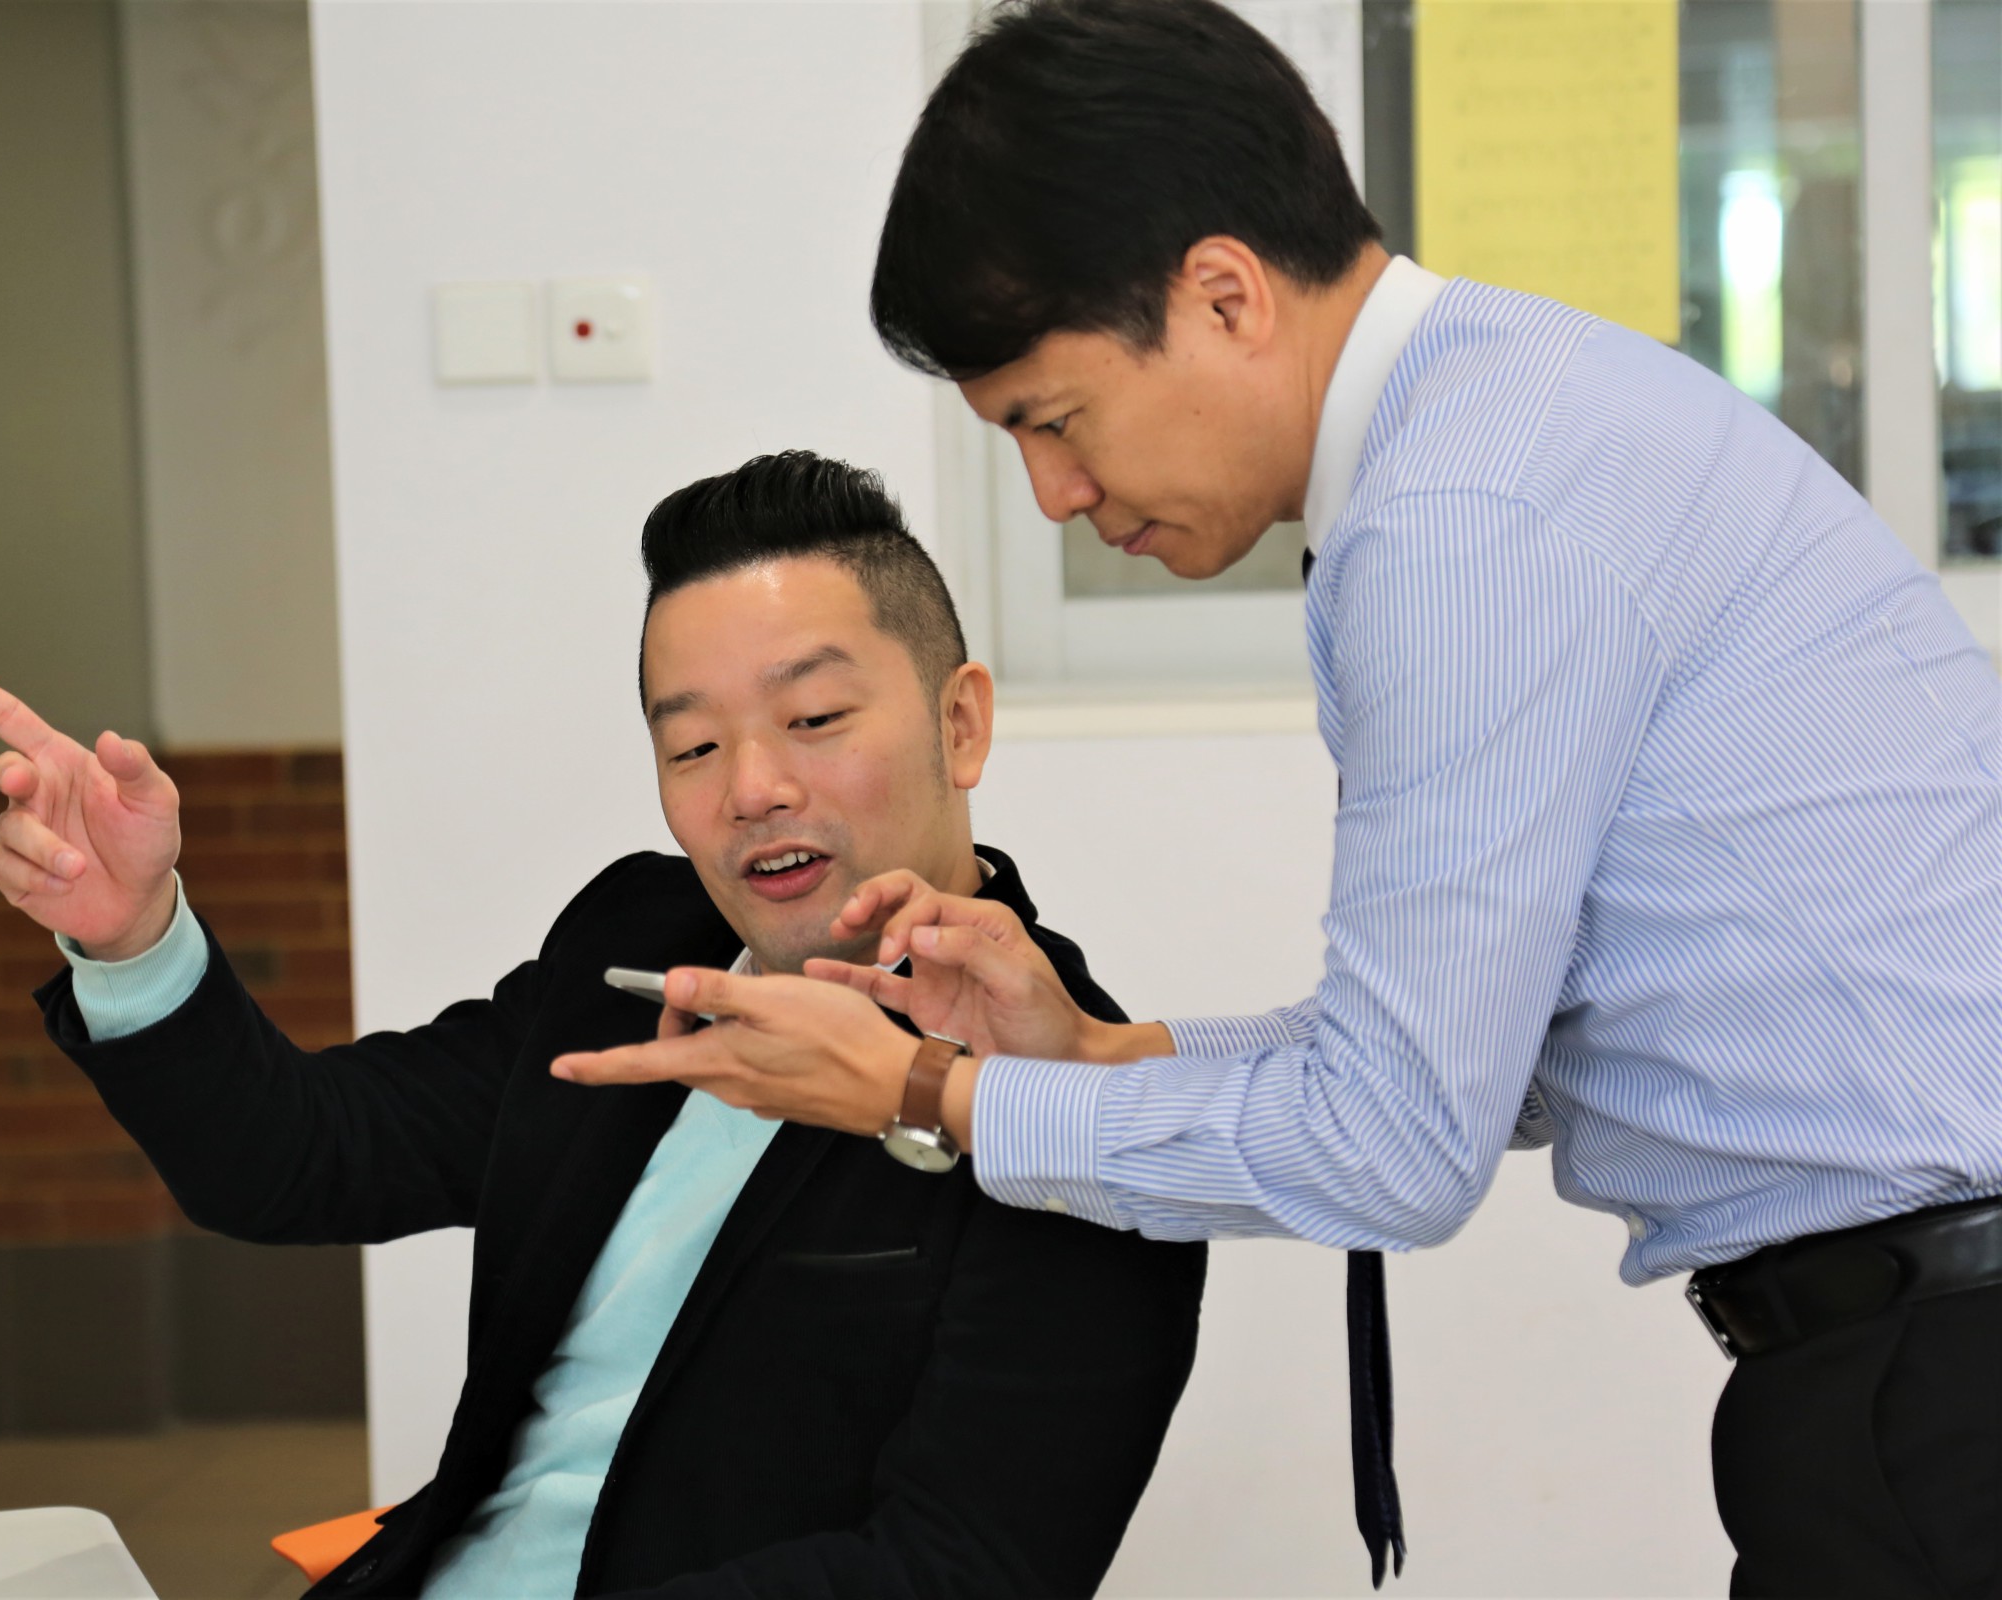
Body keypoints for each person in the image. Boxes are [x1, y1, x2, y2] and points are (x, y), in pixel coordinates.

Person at [548, 4, 2002, 1596]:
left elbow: (1395, 1145)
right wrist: (1094, 1054)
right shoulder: (1505, 423)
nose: (1053, 494)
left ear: (1226, 294)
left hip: (1947, 1375)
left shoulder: (1459, 519)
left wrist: (923, 1095)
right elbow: (1478, 1055)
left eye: (1054, 419)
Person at [0, 451, 1207, 1599]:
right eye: (692, 747)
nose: (753, 788)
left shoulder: (1081, 1109)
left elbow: (962, 1570)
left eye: (814, 720)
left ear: (959, 721)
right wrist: (131, 934)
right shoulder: (632, 945)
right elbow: (298, 1156)